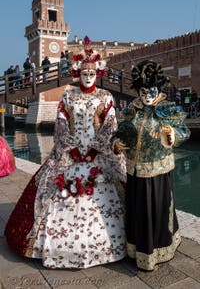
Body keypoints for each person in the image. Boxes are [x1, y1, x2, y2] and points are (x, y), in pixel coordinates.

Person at [5, 36, 127, 269]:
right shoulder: (67, 96)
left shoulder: (106, 97)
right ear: (77, 73)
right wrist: (70, 147)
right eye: (84, 73)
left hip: (98, 155)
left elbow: (110, 125)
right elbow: (61, 124)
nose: (88, 77)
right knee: (52, 191)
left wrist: (96, 148)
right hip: (70, 155)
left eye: (92, 74)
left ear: (97, 74)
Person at [111, 60, 191, 271]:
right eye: (143, 91)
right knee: (138, 210)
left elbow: (184, 131)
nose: (147, 95)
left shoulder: (167, 108)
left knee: (158, 210)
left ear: (158, 89)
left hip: (158, 170)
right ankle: (137, 250)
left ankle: (160, 249)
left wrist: (173, 135)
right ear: (138, 90)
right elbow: (121, 133)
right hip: (135, 170)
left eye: (151, 90)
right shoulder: (132, 110)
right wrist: (116, 144)